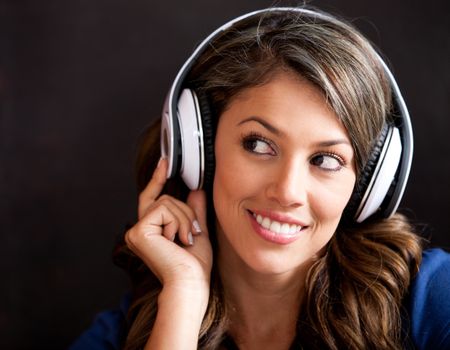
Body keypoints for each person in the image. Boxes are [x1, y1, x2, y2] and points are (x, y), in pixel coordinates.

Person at [69, 6, 450, 350]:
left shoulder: (431, 299)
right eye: (258, 144)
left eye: (326, 159)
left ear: (368, 184)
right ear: (200, 150)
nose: (287, 192)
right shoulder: (130, 330)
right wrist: (184, 297)